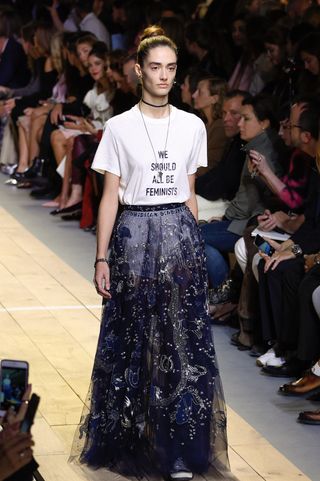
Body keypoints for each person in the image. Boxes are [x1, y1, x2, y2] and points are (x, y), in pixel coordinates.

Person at [70, 26, 234, 481]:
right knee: (133, 341)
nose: (164, 76)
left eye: (171, 69)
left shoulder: (193, 126)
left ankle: (180, 449)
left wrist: (197, 246)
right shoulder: (119, 128)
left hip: (179, 235)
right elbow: (108, 198)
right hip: (134, 235)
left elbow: (190, 193)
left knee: (182, 343)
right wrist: (101, 258)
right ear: (139, 70)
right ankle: (133, 439)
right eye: (155, 68)